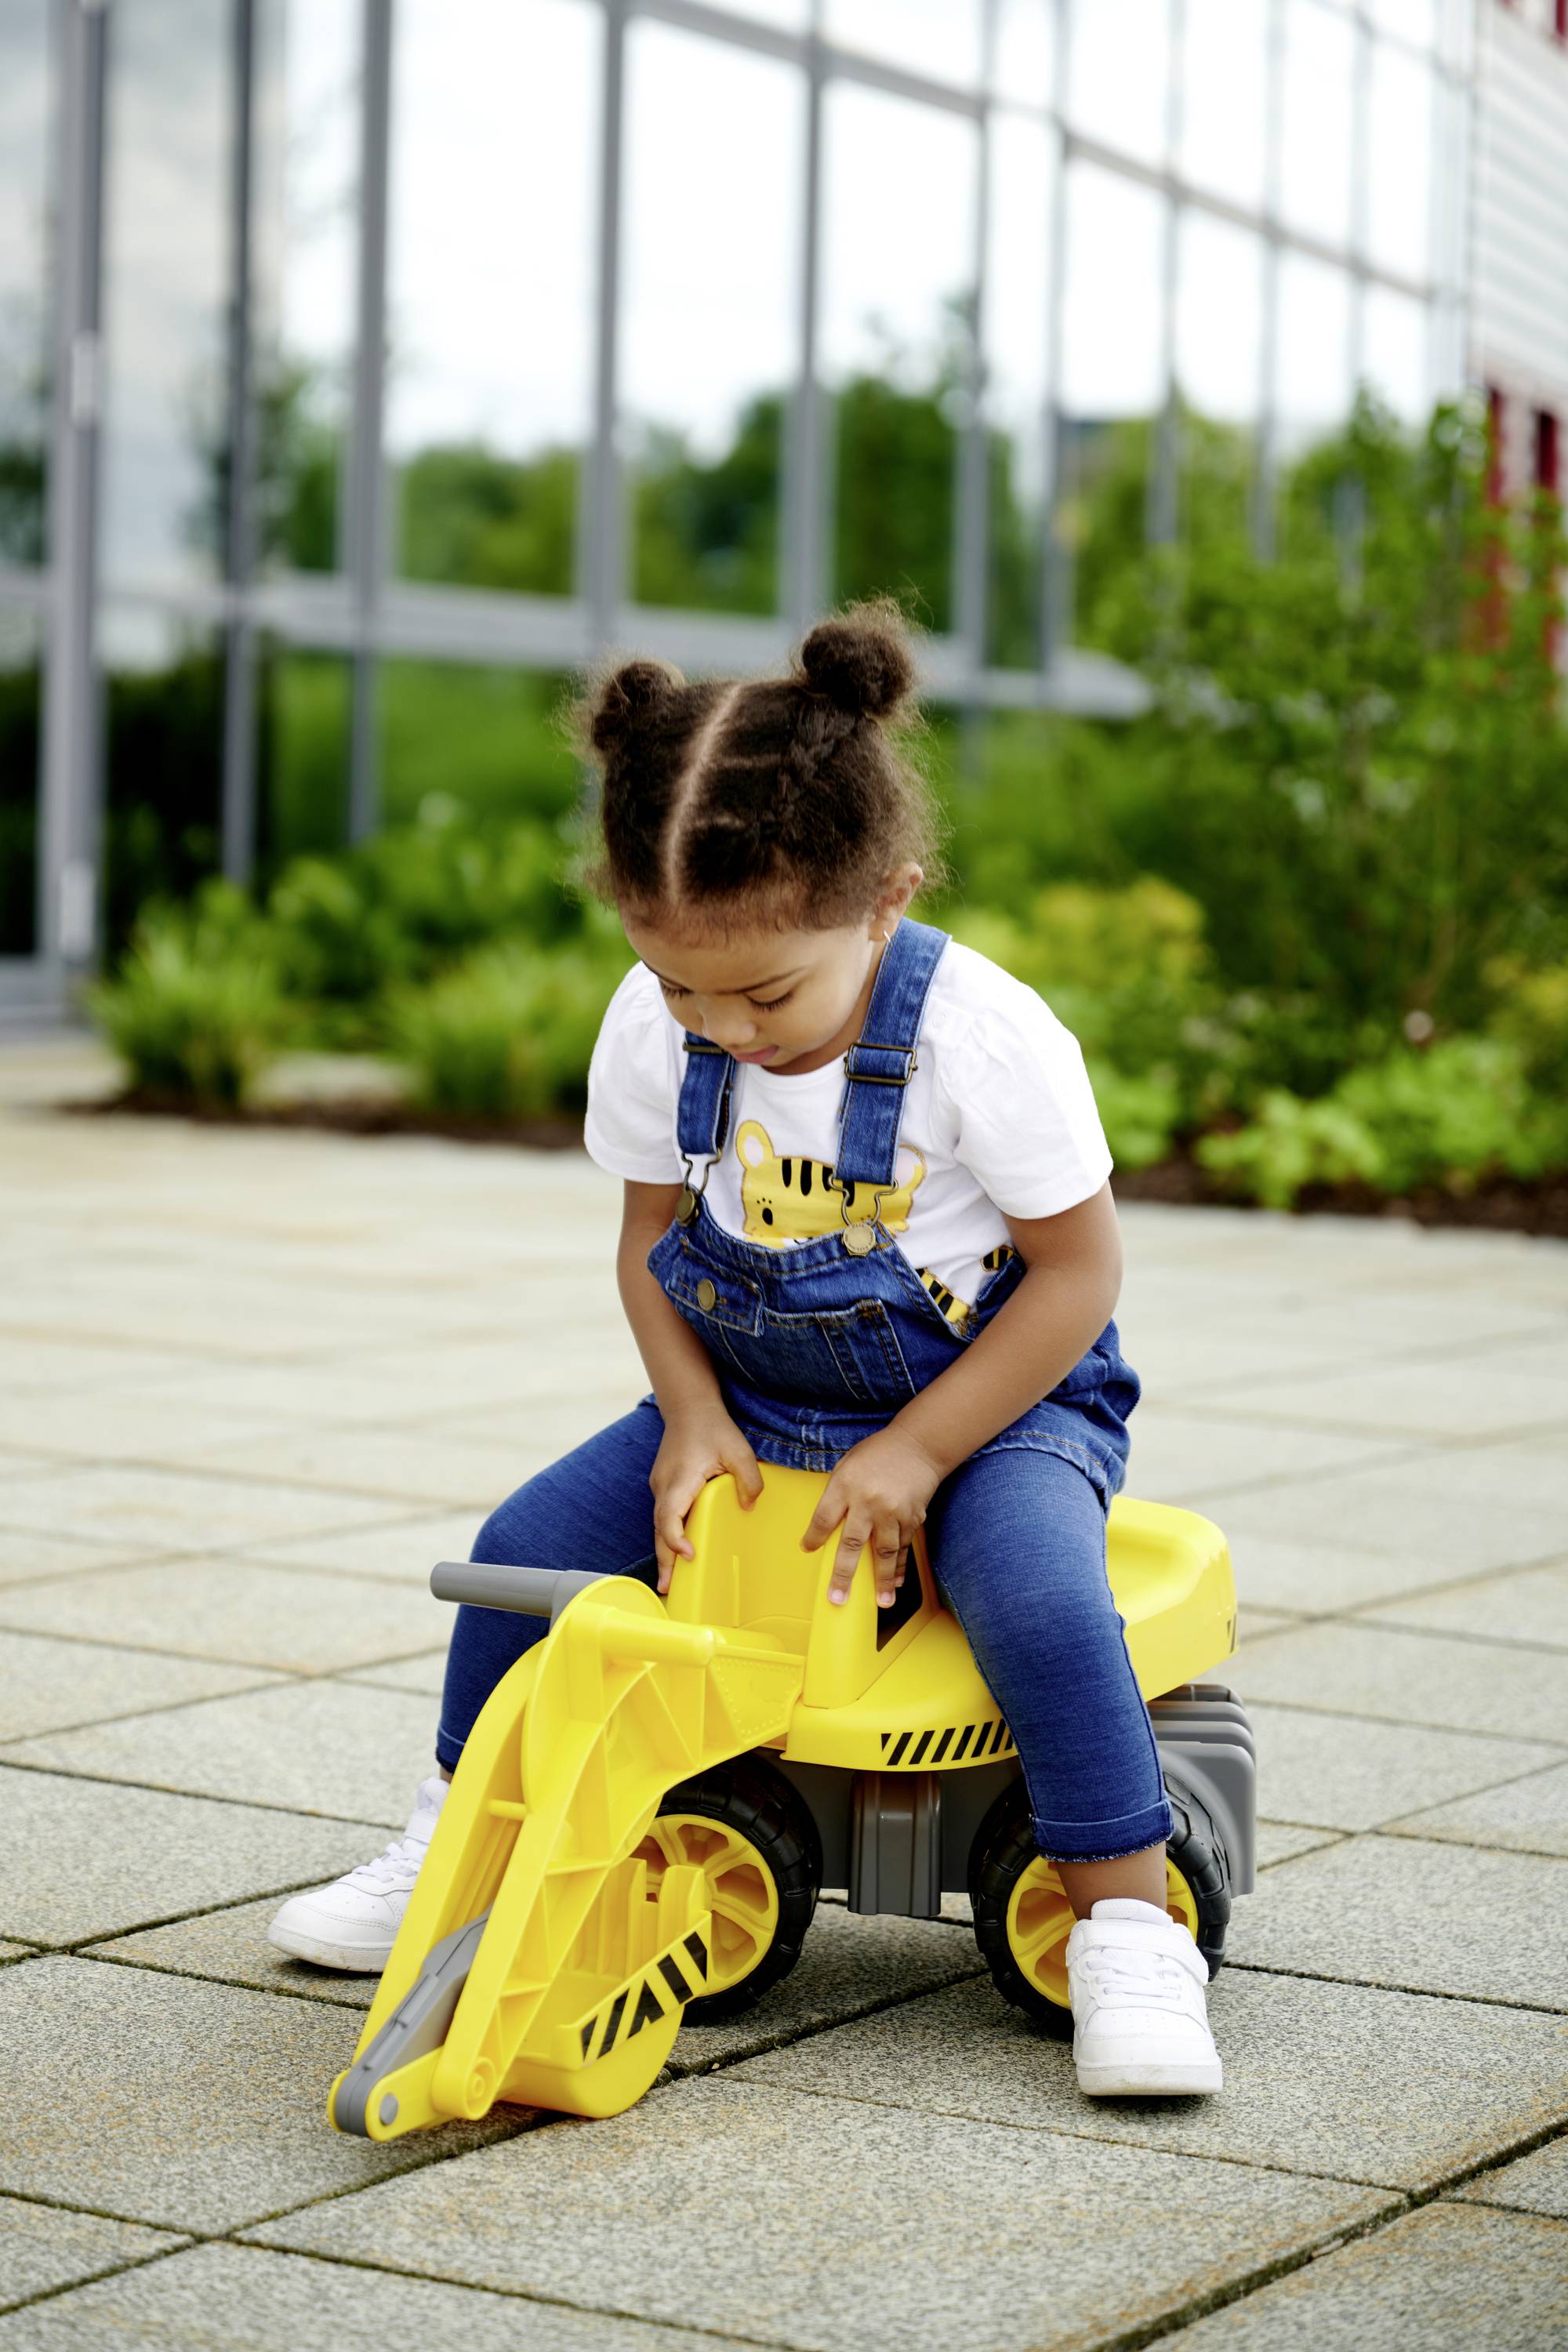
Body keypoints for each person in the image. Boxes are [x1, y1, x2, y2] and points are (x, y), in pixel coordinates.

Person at [269, 601, 1222, 2100]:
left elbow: (1080, 1276)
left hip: (998, 1407)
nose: (723, 1029)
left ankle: (1124, 1927)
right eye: (679, 988)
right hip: (756, 1396)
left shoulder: (983, 1040)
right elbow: (657, 1248)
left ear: (882, 901)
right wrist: (693, 1417)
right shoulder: (664, 1031)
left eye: (766, 993)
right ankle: (450, 1841)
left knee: (1037, 1596)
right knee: (525, 1549)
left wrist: (917, 1454)